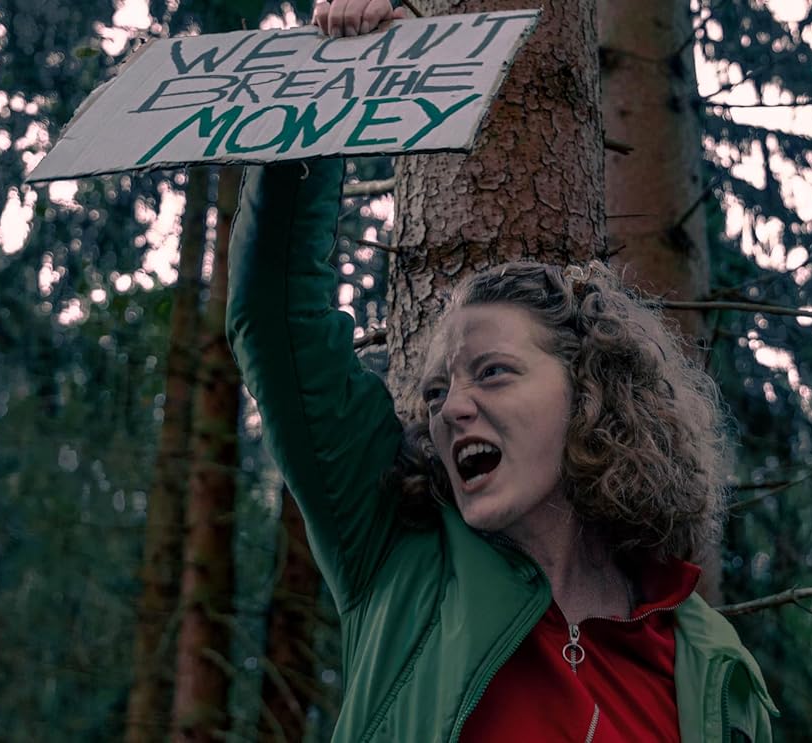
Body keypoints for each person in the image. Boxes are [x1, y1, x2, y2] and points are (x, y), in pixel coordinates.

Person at [226, 3, 777, 740]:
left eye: (492, 372)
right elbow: (274, 317)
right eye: (437, 390)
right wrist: (330, 85)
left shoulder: (709, 665)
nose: (451, 409)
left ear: (592, 395)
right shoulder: (398, 557)